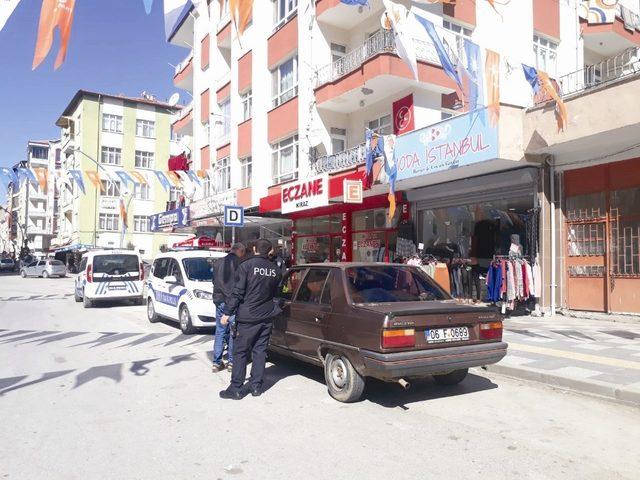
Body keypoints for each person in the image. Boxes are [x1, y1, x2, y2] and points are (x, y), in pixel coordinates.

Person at [219, 239, 282, 400]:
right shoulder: (275, 270)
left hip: (247, 318)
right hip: (266, 316)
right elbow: (276, 293)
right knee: (260, 352)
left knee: (240, 353)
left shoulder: (246, 266)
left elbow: (238, 292)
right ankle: (256, 387)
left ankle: (236, 388)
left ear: (254, 249)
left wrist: (227, 313)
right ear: (269, 251)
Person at [211, 242, 246, 373]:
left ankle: (216, 363)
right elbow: (241, 284)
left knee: (219, 331)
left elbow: (214, 282)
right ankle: (232, 362)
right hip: (232, 302)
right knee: (233, 332)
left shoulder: (218, 262)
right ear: (240, 251)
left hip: (219, 300)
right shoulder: (240, 264)